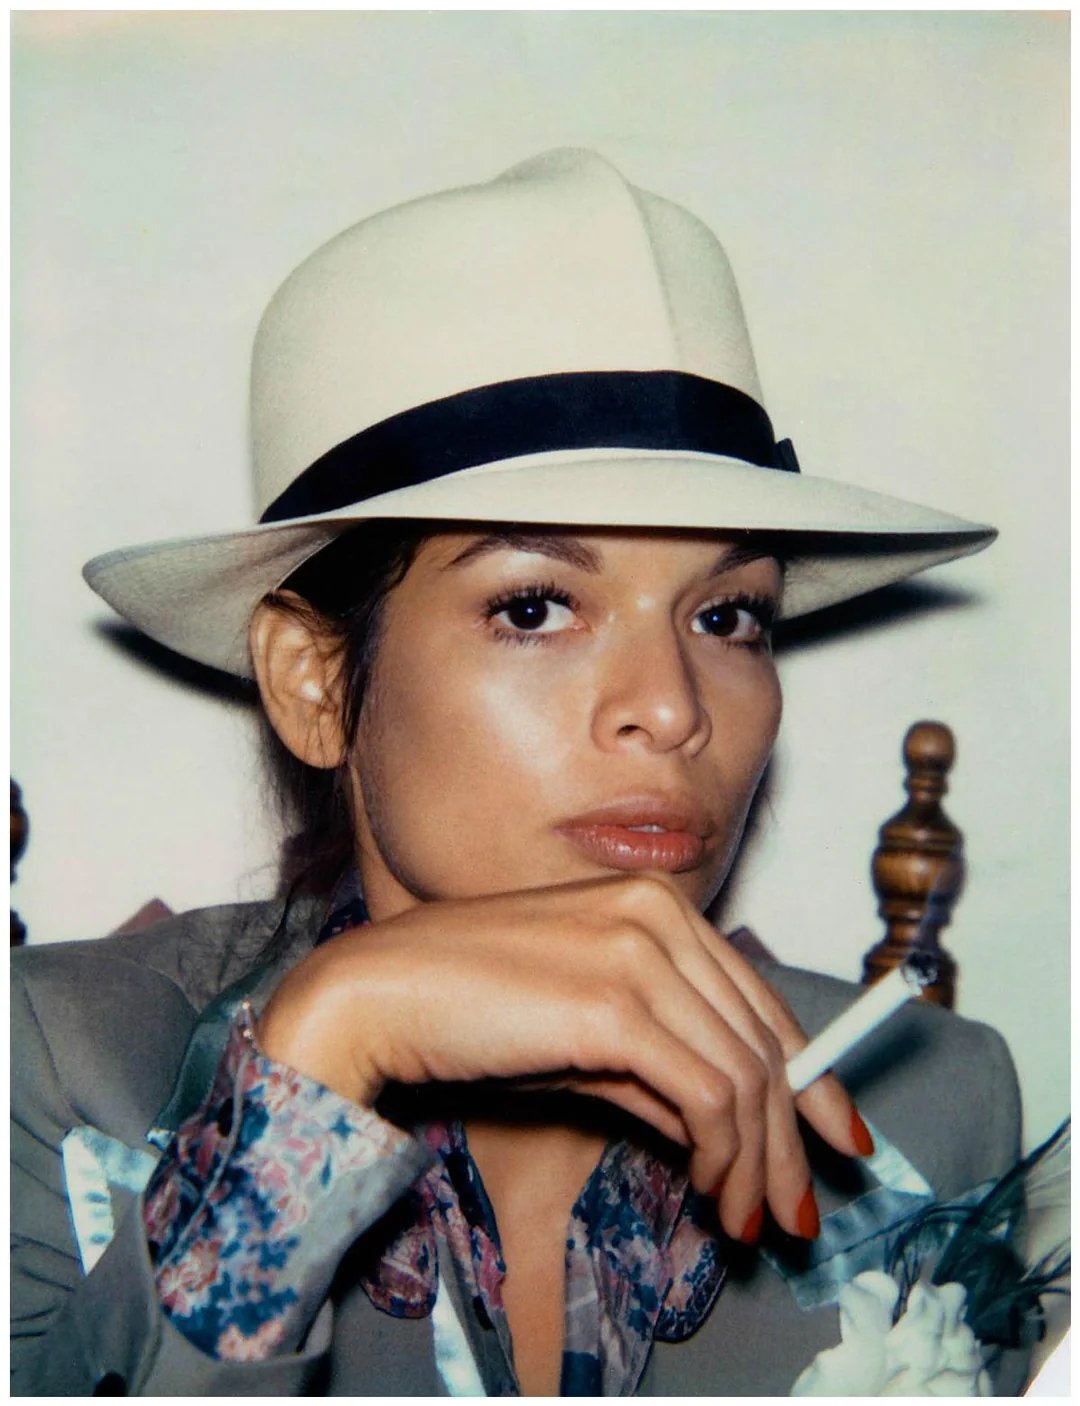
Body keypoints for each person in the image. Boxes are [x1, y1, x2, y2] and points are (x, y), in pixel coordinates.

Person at [10, 149, 1023, 1396]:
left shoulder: (921, 1100)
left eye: (729, 617)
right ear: (314, 681)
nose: (670, 707)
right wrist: (329, 1044)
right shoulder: (58, 1072)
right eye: (536, 604)